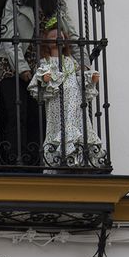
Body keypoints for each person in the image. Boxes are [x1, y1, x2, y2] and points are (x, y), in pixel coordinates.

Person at [0, 0, 71, 167]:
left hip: (43, 67)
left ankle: (39, 163)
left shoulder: (54, 3)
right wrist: (23, 70)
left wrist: (81, 62)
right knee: (17, 114)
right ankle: (16, 164)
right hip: (13, 66)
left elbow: (70, 33)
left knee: (39, 117)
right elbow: (10, 36)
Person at [28, 16, 104, 169]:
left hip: (74, 99)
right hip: (57, 100)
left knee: (77, 125)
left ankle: (78, 158)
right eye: (53, 37)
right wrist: (45, 78)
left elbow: (79, 75)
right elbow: (40, 78)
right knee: (60, 125)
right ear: (47, 42)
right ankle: (60, 158)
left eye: (60, 36)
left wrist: (90, 77)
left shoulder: (70, 60)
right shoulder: (46, 61)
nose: (57, 39)